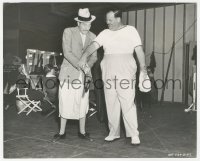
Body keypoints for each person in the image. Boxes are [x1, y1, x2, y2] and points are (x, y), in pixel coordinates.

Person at [78, 10, 150, 145]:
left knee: (127, 102)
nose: (107, 22)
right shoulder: (105, 33)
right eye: (107, 20)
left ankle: (133, 134)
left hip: (126, 69)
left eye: (110, 20)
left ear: (118, 19)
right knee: (111, 102)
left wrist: (143, 68)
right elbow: (93, 45)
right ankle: (113, 132)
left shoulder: (131, 30)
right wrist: (83, 56)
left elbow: (139, 50)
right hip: (108, 69)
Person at [53, 8, 97, 142]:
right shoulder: (68, 32)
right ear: (78, 23)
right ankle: (61, 132)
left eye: (89, 24)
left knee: (83, 103)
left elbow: (94, 57)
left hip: (84, 76)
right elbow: (67, 53)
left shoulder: (93, 37)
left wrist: (87, 67)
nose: (87, 27)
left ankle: (82, 132)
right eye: (84, 24)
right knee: (65, 102)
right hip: (68, 74)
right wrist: (82, 65)